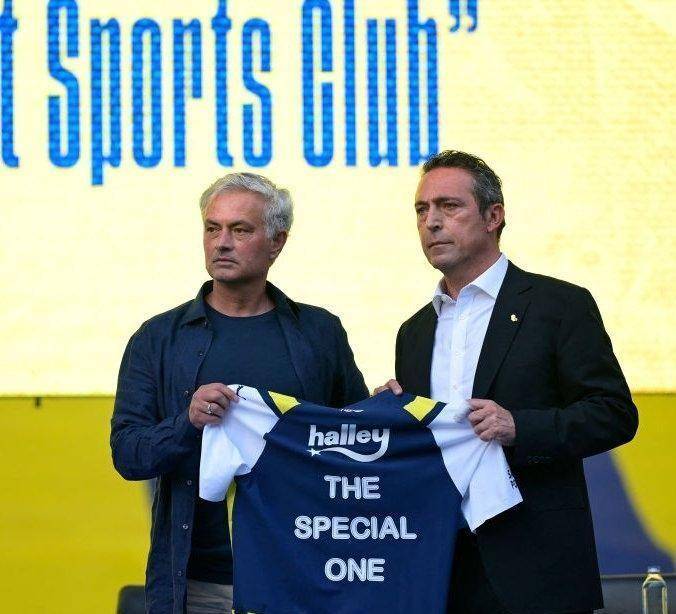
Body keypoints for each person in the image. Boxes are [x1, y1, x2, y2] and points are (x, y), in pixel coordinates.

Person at [376, 150, 638, 614]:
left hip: (537, 568)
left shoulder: (559, 306)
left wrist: (519, 427)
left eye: (449, 206)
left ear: (493, 216)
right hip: (441, 569)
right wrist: (394, 415)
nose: (431, 222)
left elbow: (614, 414)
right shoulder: (413, 332)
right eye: (422, 209)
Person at [111, 172, 368, 614]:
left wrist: (388, 409)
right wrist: (187, 423)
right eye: (212, 229)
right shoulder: (158, 339)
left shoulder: (319, 332)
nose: (222, 243)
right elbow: (128, 454)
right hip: (199, 584)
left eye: (240, 230)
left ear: (277, 242)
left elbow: (357, 442)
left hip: (301, 576)